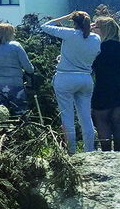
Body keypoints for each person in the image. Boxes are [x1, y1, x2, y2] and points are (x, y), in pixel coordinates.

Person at [41, 11, 102, 154]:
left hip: (66, 77)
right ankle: (89, 150)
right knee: (86, 117)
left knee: (67, 116)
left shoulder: (69, 34)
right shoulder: (96, 38)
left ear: (73, 22)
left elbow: (44, 26)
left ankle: (71, 151)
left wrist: (65, 16)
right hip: (85, 78)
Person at [90, 16, 120, 151]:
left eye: (96, 26)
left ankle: (106, 154)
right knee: (119, 121)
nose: (93, 29)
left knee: (101, 120)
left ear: (104, 30)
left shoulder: (97, 47)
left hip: (103, 86)